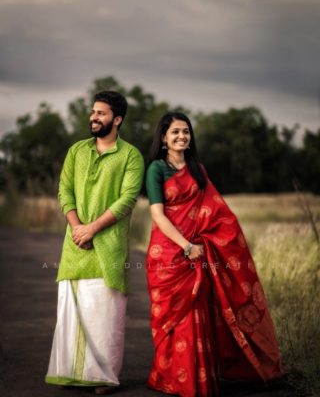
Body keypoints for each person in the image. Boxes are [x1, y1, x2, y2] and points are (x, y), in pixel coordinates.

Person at [145, 112, 283, 397]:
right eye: (175, 132)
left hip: (201, 251)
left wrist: (206, 245)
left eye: (186, 132)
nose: (182, 136)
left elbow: (219, 213)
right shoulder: (156, 169)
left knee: (200, 312)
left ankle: (201, 377)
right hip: (170, 253)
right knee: (173, 318)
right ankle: (173, 378)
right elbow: (157, 215)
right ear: (163, 138)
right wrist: (186, 246)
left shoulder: (198, 169)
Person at [45, 90, 144, 395]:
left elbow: (127, 200)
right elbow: (64, 190)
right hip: (75, 244)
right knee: (73, 310)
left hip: (108, 247)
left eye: (101, 113)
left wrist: (93, 229)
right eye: (93, 112)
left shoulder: (130, 155)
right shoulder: (77, 151)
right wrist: (78, 228)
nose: (94, 117)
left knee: (105, 315)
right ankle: (70, 372)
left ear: (117, 119)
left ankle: (103, 377)